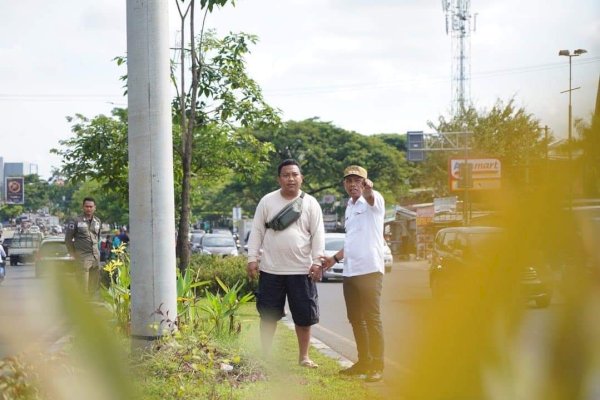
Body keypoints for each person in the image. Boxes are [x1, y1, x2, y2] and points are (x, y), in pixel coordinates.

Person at [246, 159, 325, 368]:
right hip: (271, 269)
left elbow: (318, 234)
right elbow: (256, 231)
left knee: (304, 316)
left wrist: (318, 262)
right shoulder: (267, 201)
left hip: (302, 270)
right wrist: (252, 258)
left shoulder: (310, 203)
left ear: (301, 178)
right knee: (268, 315)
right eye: (286, 175)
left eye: (295, 174)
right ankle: (265, 355)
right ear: (279, 179)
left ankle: (304, 357)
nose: (291, 178)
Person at [322, 165, 386, 382]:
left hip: (370, 270)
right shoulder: (349, 207)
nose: (353, 184)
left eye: (357, 180)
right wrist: (334, 259)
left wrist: (369, 189)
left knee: (372, 317)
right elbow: (351, 242)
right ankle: (364, 361)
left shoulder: (374, 200)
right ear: (344, 184)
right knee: (355, 319)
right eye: (349, 181)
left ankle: (377, 365)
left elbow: (369, 196)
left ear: (365, 182)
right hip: (350, 271)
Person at [65, 197, 102, 294]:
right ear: (83, 207)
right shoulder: (75, 220)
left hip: (95, 257)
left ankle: (92, 305)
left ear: (95, 208)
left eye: (91, 206)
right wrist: (72, 254)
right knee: (83, 286)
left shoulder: (97, 221)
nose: (89, 209)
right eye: (86, 206)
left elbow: (97, 238)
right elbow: (68, 239)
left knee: (94, 287)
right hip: (82, 257)